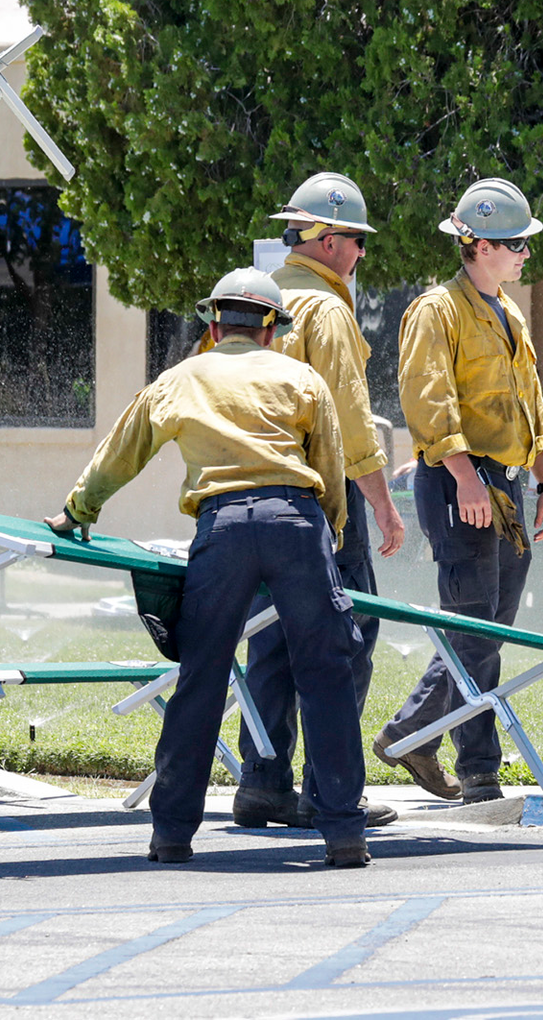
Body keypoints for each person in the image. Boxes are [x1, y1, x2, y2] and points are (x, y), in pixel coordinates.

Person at [46, 268, 372, 867]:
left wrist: (77, 510)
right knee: (325, 675)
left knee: (201, 678)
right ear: (272, 327)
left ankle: (171, 835)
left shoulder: (181, 378)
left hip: (219, 531)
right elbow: (330, 468)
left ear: (215, 323)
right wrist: (330, 536)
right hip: (295, 521)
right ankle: (345, 834)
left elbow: (123, 450)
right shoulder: (301, 378)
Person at [376, 178, 543, 805]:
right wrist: (465, 478)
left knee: (490, 628)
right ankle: (474, 763)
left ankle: (417, 733)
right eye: (515, 244)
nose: (524, 255)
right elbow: (429, 403)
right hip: (461, 480)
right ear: (478, 244)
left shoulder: (510, 313)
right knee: (473, 621)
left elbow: (531, 407)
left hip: (506, 484)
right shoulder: (437, 309)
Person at [233, 173, 407, 833]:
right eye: (357, 242)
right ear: (329, 239)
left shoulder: (259, 303)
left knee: (271, 640)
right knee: (347, 635)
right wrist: (383, 506)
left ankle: (262, 785)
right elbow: (351, 426)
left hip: (250, 498)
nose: (361, 255)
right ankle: (330, 791)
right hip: (320, 507)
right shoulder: (328, 312)